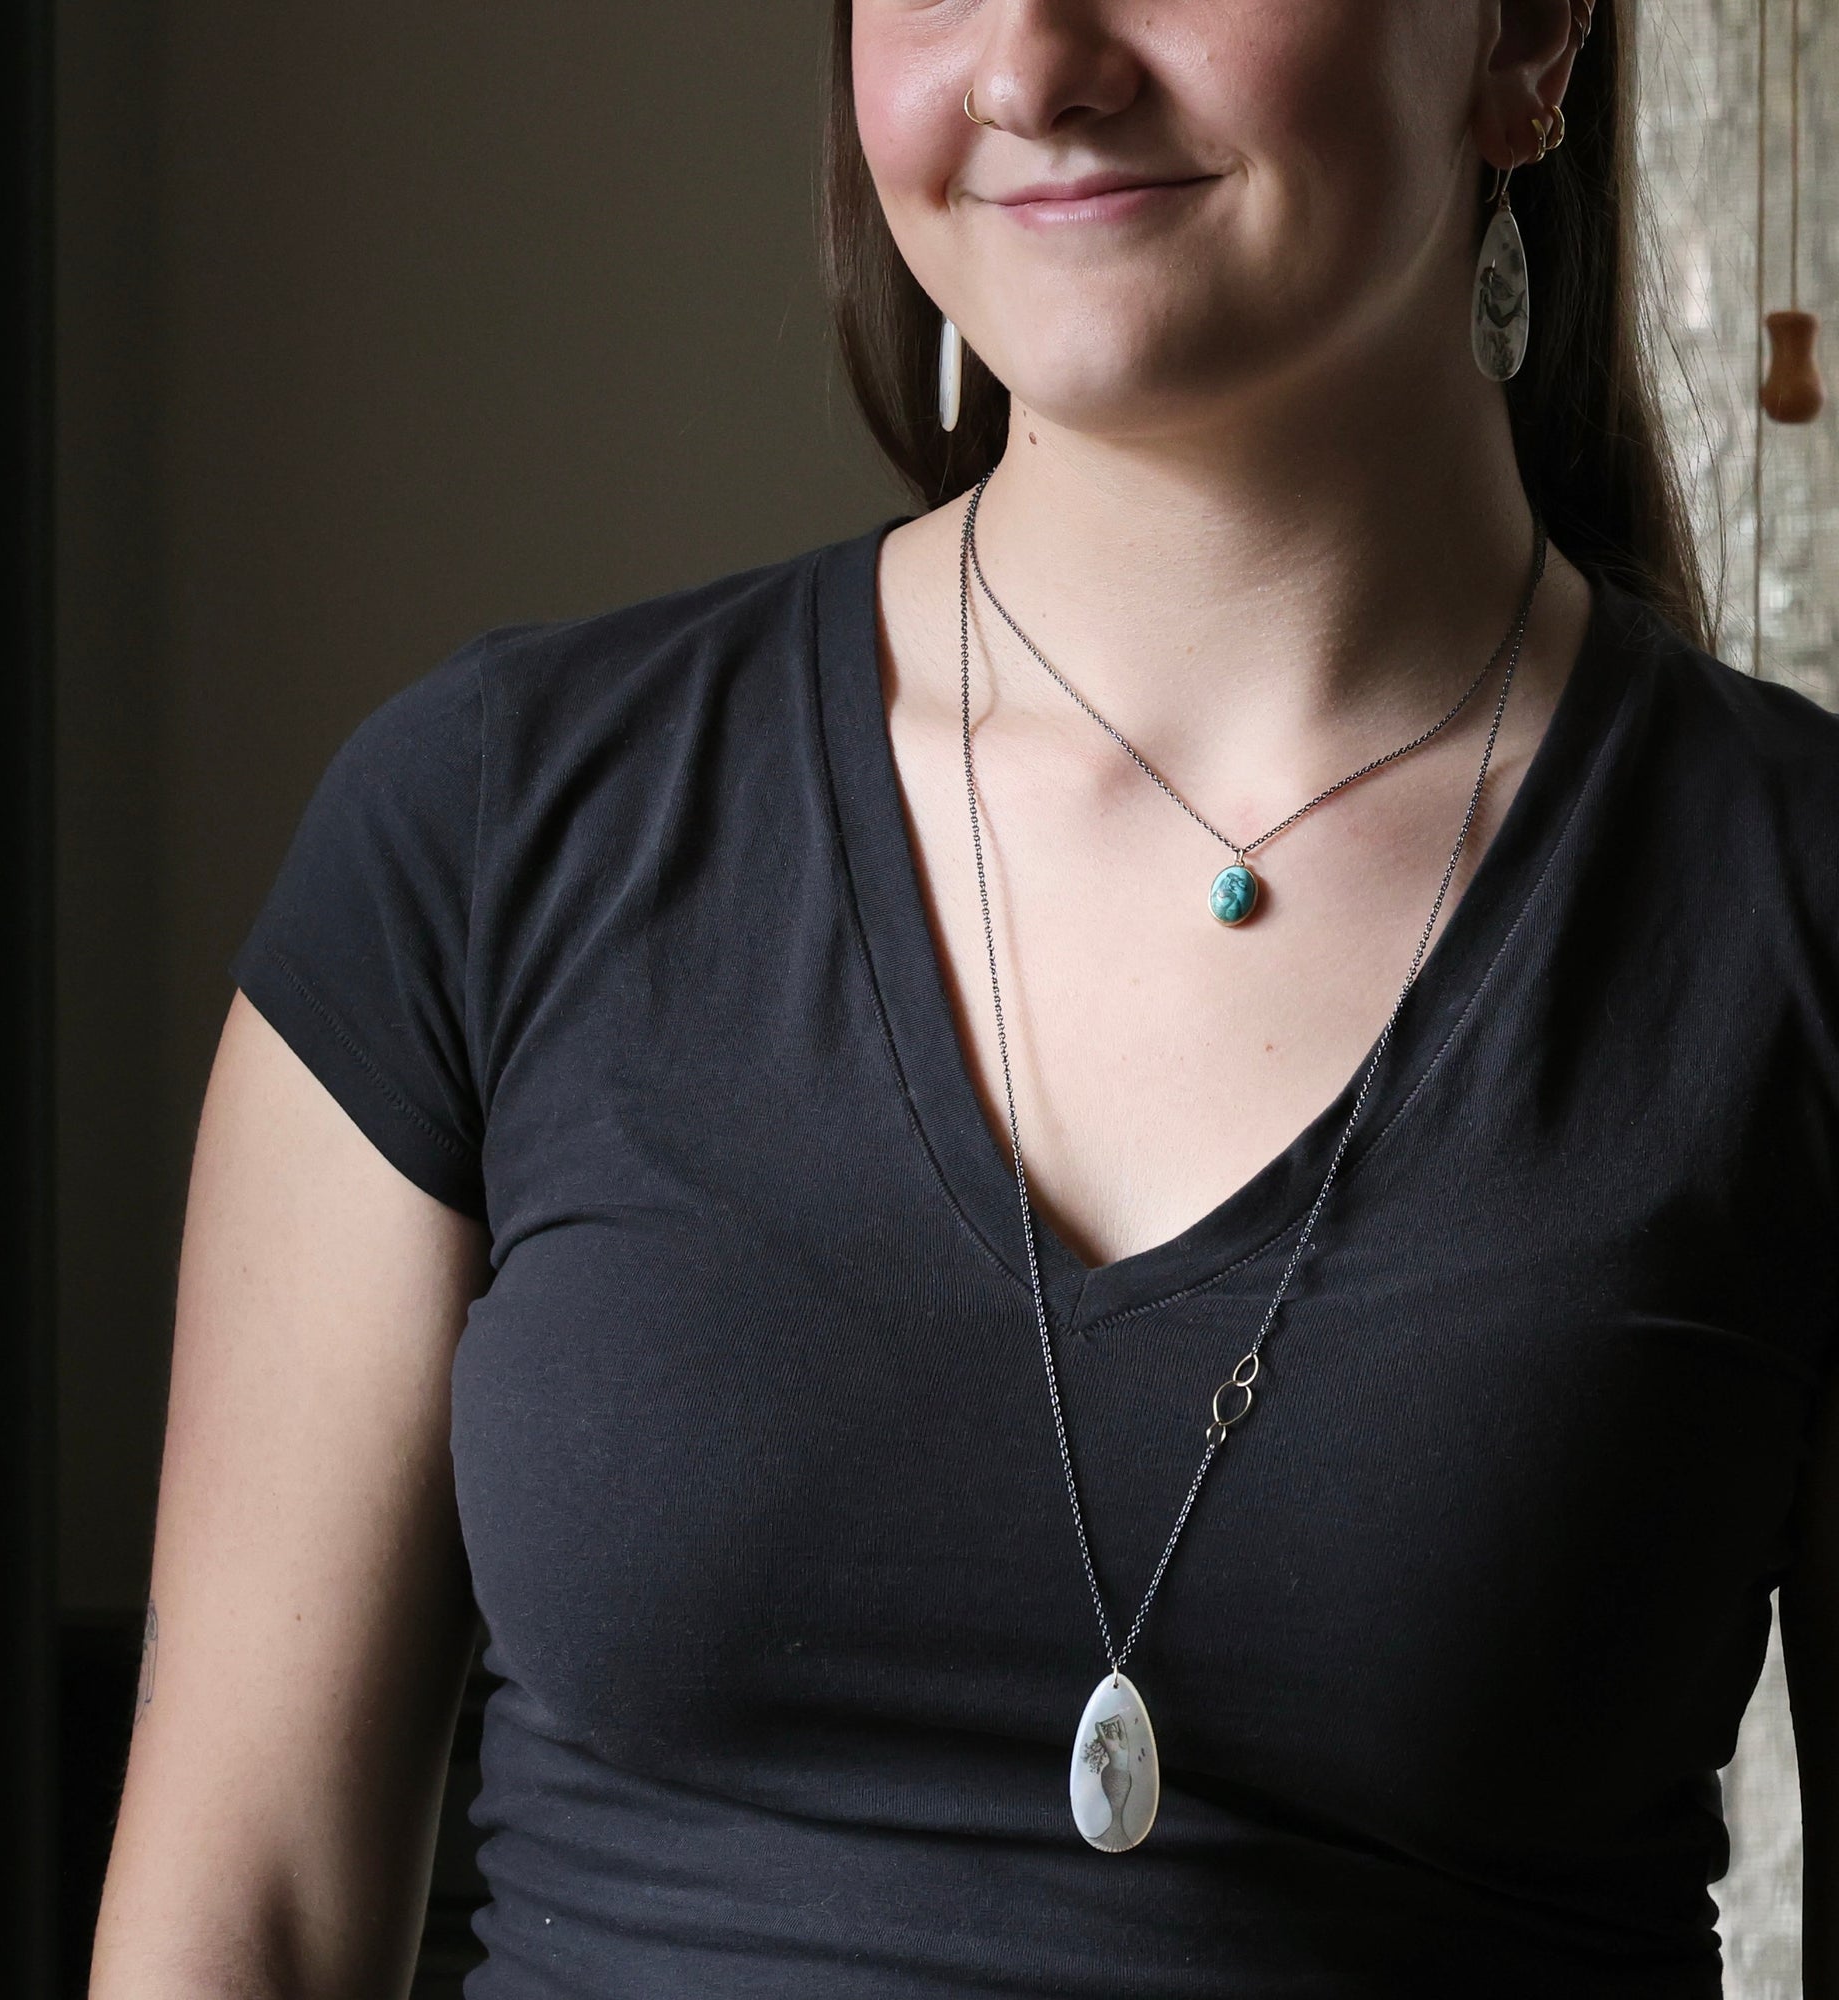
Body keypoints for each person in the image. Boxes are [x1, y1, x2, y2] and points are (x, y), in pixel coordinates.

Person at [89, 1, 1839, 1994]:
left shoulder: (1786, 918)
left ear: (1521, 38)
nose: (1030, 65)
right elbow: (238, 1922)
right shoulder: (484, 834)